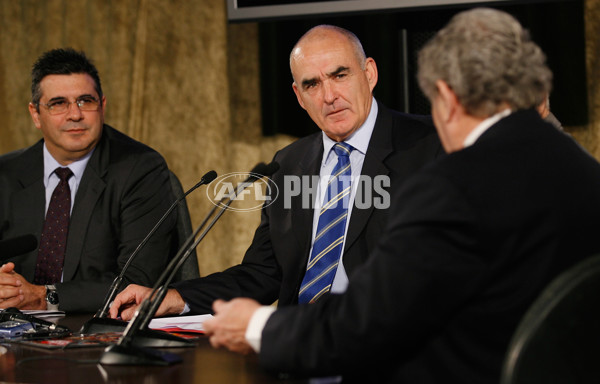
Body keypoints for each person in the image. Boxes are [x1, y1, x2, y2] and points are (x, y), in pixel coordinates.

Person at [201, 8, 600, 383]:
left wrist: (257, 326)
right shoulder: (583, 169)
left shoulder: (452, 185)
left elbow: (368, 322)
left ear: (446, 96)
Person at [109, 25, 442, 320]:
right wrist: (176, 297)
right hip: (296, 346)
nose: (329, 96)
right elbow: (264, 273)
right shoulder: (287, 163)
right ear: (298, 96)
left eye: (340, 75)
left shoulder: (432, 146)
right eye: (312, 84)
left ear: (369, 73)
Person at [0, 48, 176, 312]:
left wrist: (42, 296)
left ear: (102, 106)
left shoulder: (140, 169)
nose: (75, 115)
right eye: (58, 103)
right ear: (35, 114)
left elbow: (137, 282)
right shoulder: (7, 173)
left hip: (98, 331)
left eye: (85, 101)